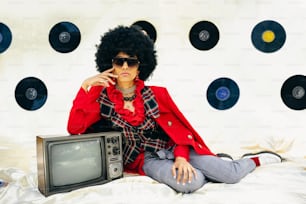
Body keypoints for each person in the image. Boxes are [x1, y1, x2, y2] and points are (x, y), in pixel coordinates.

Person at [67, 25, 283, 193]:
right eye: (119, 61)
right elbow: (74, 128)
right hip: (147, 160)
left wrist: (181, 157)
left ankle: (252, 159)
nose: (124, 67)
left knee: (230, 174)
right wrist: (88, 87)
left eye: (131, 62)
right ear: (110, 63)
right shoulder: (100, 99)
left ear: (140, 66)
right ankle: (214, 164)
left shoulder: (157, 94)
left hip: (174, 148)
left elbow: (179, 132)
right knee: (190, 183)